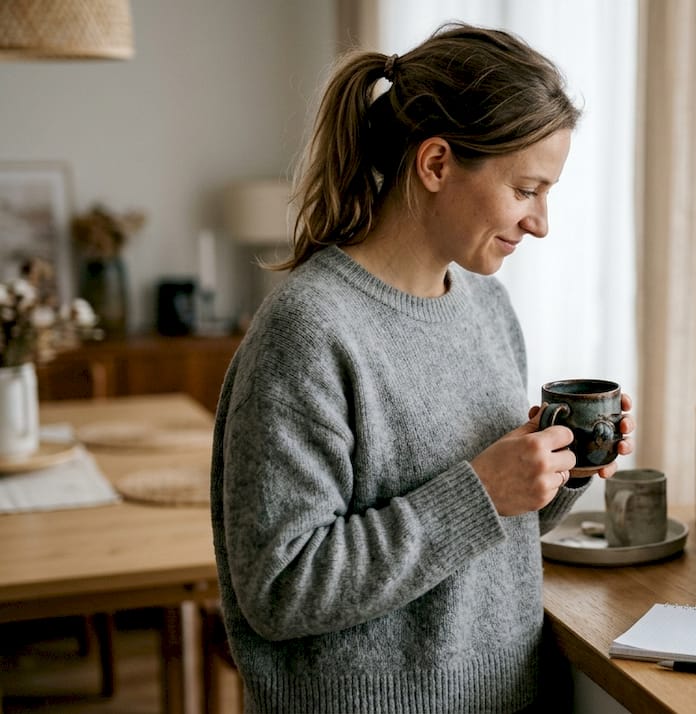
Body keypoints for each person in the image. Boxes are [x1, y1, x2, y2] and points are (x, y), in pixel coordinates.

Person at [209, 22, 633, 712]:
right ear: (436, 164)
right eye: (526, 190)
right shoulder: (309, 331)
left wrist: (557, 472)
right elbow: (282, 588)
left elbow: (480, 540)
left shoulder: (487, 306)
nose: (541, 223)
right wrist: (483, 491)